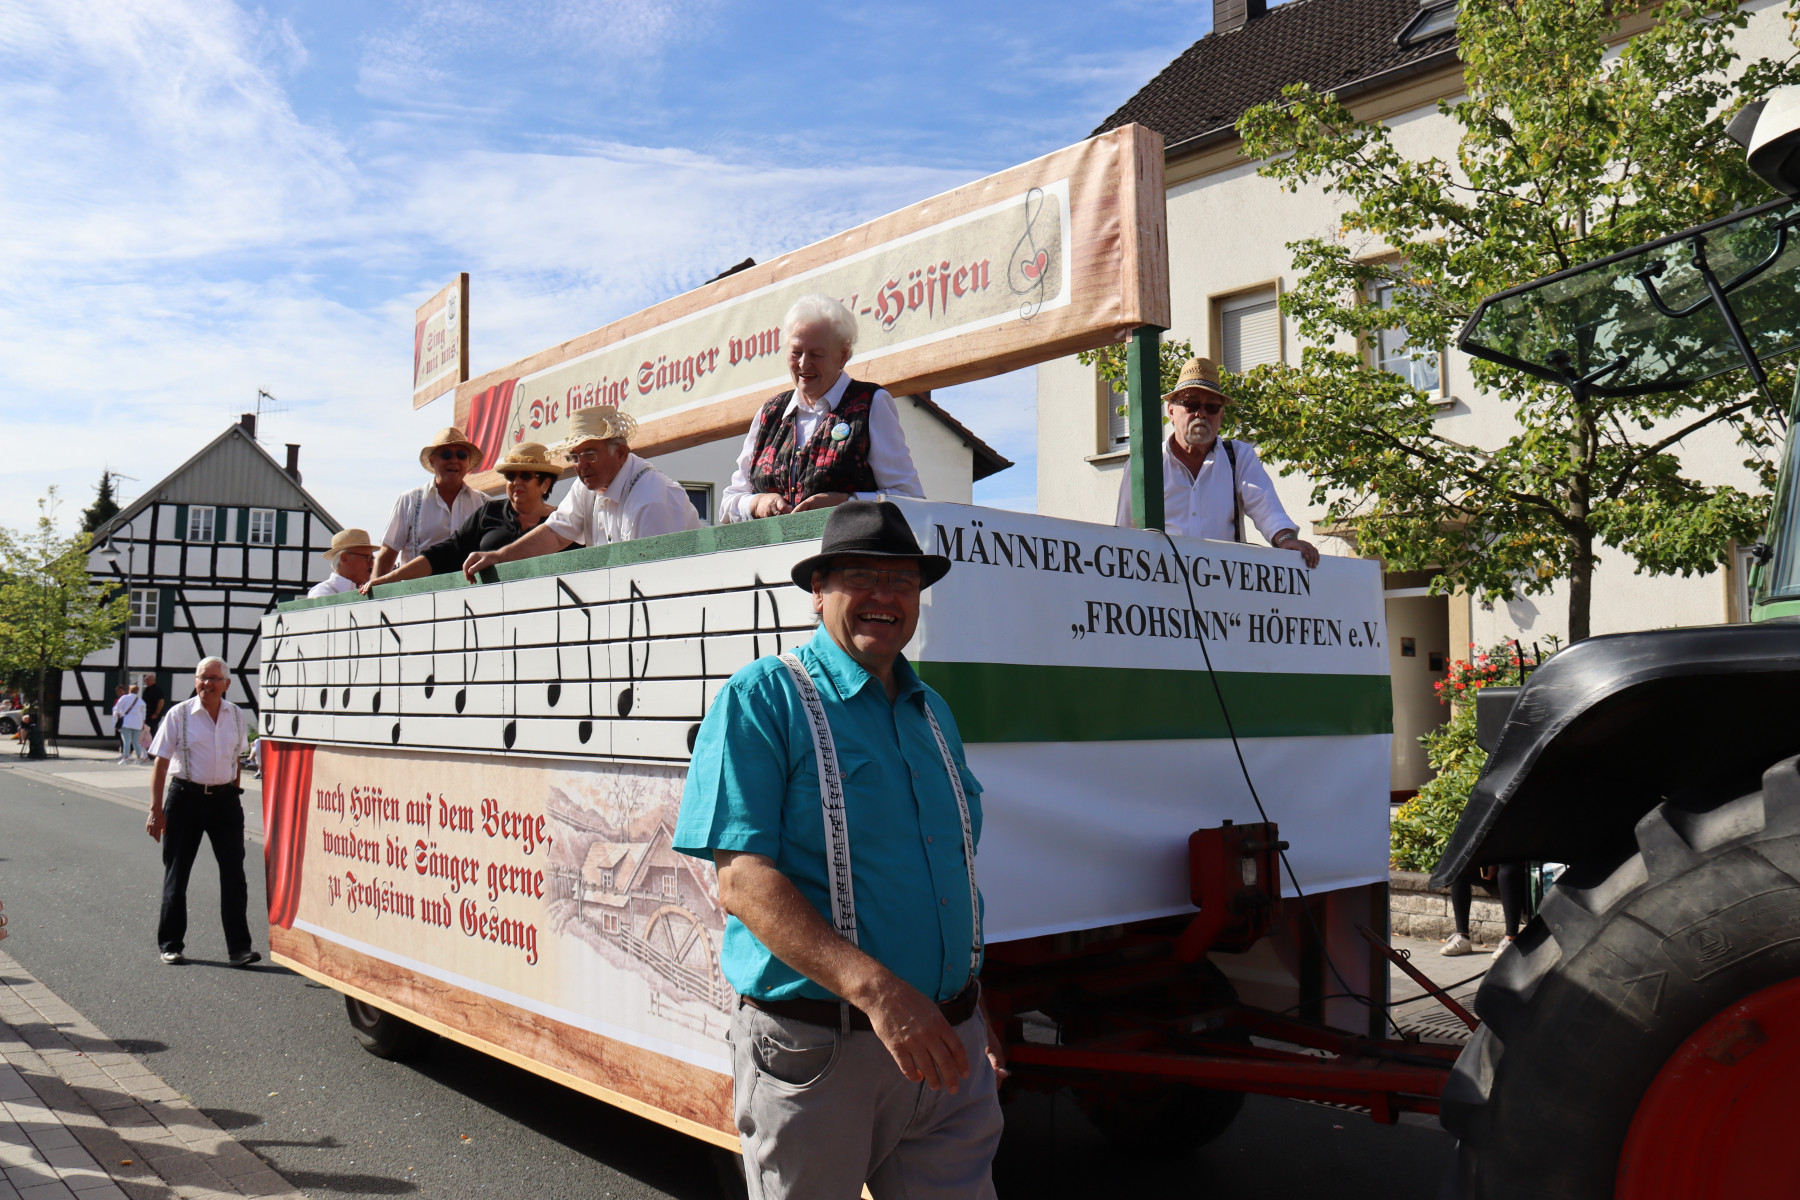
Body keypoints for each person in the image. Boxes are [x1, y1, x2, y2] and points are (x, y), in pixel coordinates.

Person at [674, 500, 1003, 1200]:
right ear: (819, 590)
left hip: (948, 1046)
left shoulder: (933, 712)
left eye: (903, 581)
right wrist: (880, 993)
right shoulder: (764, 697)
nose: (886, 596)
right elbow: (744, 883)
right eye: (862, 577)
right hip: (821, 1053)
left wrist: (973, 1007)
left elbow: (951, 875)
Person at [719, 294, 923, 522]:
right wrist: (757, 503)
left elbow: (910, 498)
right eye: (796, 352)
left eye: (816, 354)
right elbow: (728, 504)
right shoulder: (770, 413)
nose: (804, 363)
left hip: (845, 545)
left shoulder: (870, 403)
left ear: (842, 356)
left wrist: (847, 503)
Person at [1115, 356, 1321, 568]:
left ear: (1221, 417)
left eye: (1212, 407)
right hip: (1161, 579)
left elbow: (1266, 507)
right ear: (1171, 412)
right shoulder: (1145, 464)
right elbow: (1123, 533)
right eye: (1191, 404)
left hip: (1222, 579)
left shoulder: (1238, 457)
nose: (1201, 414)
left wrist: (1285, 539)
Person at [460, 408, 699, 580]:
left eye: (590, 454)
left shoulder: (649, 499)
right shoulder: (588, 485)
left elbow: (651, 580)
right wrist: (499, 557)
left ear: (620, 453)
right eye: (574, 456)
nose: (580, 465)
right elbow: (554, 534)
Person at [146, 657, 258, 968]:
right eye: (201, 677)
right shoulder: (179, 714)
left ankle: (239, 949)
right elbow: (161, 763)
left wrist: (234, 792)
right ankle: (171, 945)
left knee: (234, 874)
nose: (206, 683)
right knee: (177, 872)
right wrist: (155, 810)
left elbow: (236, 759)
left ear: (227, 684)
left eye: (213, 678)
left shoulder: (236, 714)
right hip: (186, 798)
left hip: (225, 802)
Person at [363, 443, 562, 592]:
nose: (516, 482)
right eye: (510, 476)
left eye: (525, 476)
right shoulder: (488, 512)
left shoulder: (562, 521)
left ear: (545, 484)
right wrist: (389, 579)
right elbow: (445, 553)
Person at [375, 427, 489, 577]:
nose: (454, 460)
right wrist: (376, 590)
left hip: (471, 589)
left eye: (461, 455)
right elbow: (386, 557)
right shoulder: (410, 501)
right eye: (446, 454)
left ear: (468, 462)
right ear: (432, 461)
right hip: (419, 591)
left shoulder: (484, 503)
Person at [1441, 863, 1529, 957]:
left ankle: (1511, 940)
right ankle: (1462, 936)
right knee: (1459, 870)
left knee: (1506, 873)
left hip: (1516, 865)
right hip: (1491, 865)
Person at [307, 529, 379, 598]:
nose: (372, 563)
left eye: (372, 558)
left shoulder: (365, 590)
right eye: (367, 557)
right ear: (344, 558)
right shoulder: (323, 592)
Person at [114, 683, 147, 764]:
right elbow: (143, 714)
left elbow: (117, 709)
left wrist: (118, 718)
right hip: (137, 723)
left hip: (126, 722)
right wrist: (142, 724)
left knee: (126, 741)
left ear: (129, 690)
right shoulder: (141, 701)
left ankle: (126, 758)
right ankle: (139, 758)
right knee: (136, 741)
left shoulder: (124, 698)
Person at [141, 672, 167, 741]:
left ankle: (154, 743)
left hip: (153, 715)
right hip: (147, 715)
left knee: (152, 730)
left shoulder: (156, 689)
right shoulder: (147, 689)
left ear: (150, 680)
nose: (145, 682)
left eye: (146, 680)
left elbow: (161, 701)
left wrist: (156, 713)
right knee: (147, 730)